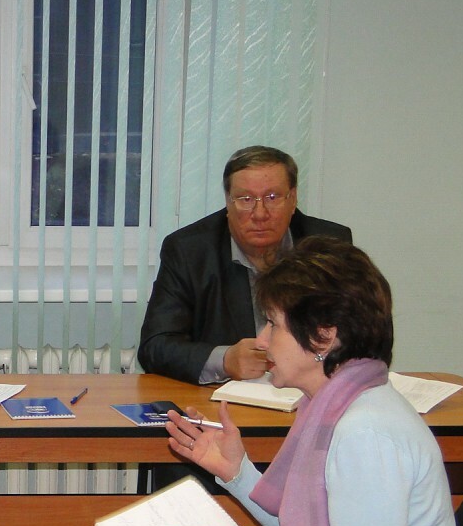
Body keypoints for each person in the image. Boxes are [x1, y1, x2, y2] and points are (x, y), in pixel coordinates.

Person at [102, 238, 463, 526]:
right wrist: (236, 474)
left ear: (323, 337)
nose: (262, 339)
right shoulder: (335, 404)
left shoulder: (365, 432)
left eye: (273, 323)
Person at [138, 146, 352, 385]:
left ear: (293, 199)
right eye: (246, 199)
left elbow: (363, 333)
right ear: (228, 202)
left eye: (272, 197)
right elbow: (155, 346)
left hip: (309, 392)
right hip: (225, 397)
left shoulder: (329, 245)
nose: (260, 214)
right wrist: (224, 360)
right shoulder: (190, 250)